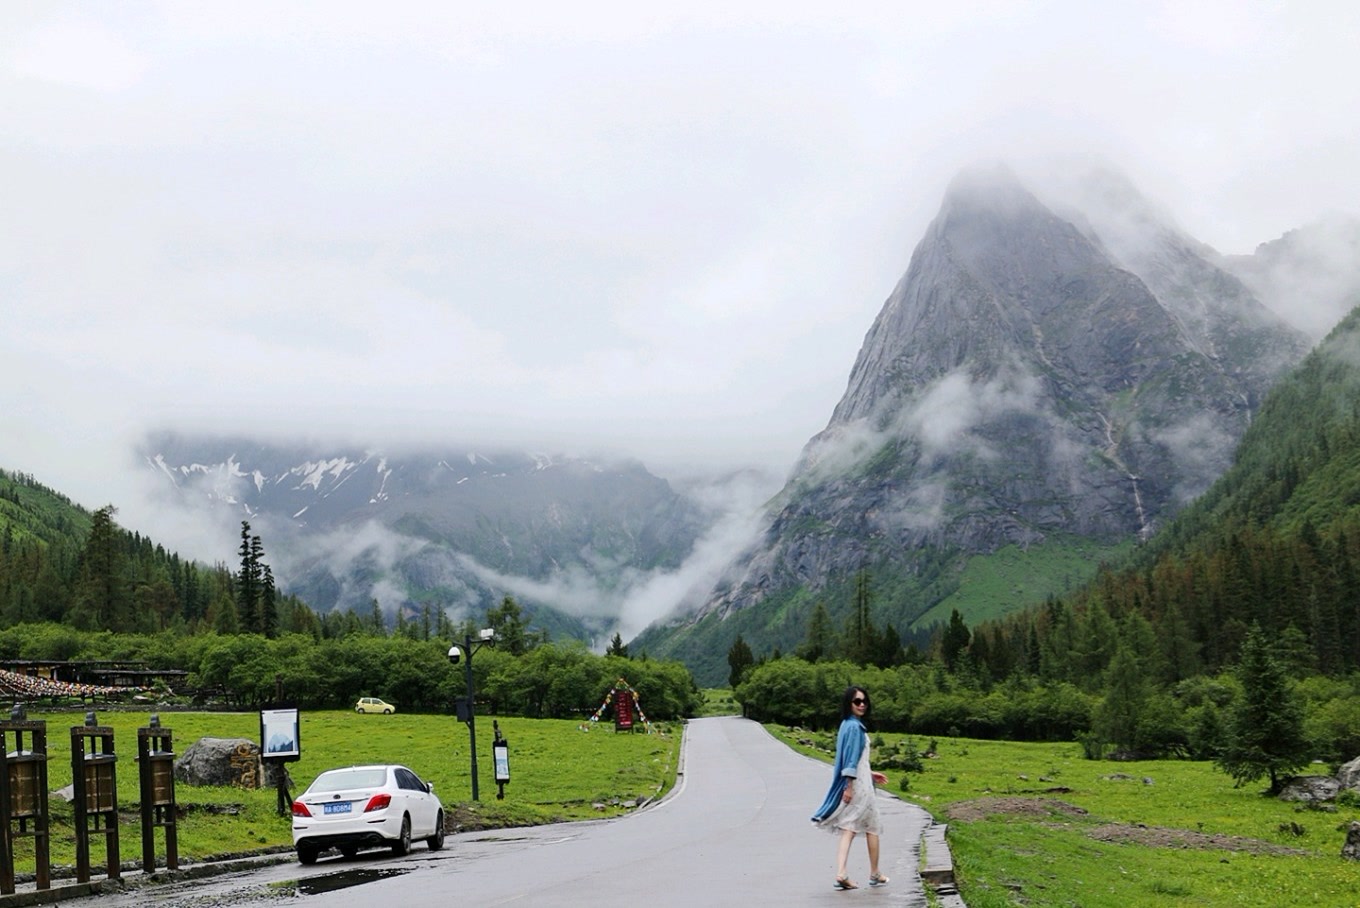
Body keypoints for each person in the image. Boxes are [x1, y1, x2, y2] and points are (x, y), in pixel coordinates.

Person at [810, 685, 889, 890]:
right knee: (857, 826)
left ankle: (870, 872)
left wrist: (870, 773)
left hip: (861, 780)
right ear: (849, 703)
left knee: (863, 826)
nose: (862, 705)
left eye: (864, 701)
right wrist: (849, 786)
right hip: (859, 786)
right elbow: (851, 761)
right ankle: (849, 872)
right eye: (857, 702)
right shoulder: (855, 728)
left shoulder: (847, 724)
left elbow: (854, 758)